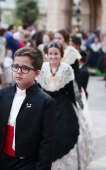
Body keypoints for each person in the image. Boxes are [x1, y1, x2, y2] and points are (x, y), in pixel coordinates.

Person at [0, 47, 56, 170]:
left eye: (25, 68)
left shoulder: (45, 101)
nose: (19, 71)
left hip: (28, 162)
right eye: (16, 66)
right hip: (4, 159)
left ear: (37, 73)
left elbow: (47, 141)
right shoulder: (3, 94)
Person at [36, 42, 93, 170]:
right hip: (46, 104)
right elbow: (38, 89)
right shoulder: (42, 68)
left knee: (65, 131)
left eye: (56, 54)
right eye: (50, 54)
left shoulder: (67, 68)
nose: (53, 56)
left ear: (61, 55)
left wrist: (78, 106)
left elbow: (71, 91)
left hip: (63, 103)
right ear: (47, 54)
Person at [54, 29, 83, 109]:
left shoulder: (72, 52)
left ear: (65, 39)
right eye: (55, 38)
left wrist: (80, 88)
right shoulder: (52, 50)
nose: (56, 40)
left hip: (69, 85)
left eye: (59, 38)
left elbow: (76, 71)